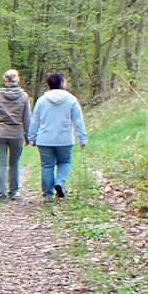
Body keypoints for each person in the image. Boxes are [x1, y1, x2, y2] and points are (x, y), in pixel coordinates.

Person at [27, 71, 87, 199]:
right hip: (64, 139)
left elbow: (35, 120)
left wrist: (31, 137)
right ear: (61, 83)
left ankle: (48, 195)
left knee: (47, 166)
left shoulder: (42, 100)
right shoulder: (71, 100)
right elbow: (78, 120)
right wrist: (82, 137)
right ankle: (60, 182)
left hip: (45, 139)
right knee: (64, 162)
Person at [0, 68, 31, 200]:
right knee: (14, 163)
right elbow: (27, 118)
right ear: (18, 79)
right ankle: (14, 192)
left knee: (1, 164)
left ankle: (0, 194)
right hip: (16, 134)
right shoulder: (23, 96)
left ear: (5, 80)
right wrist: (28, 135)